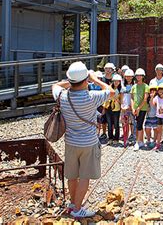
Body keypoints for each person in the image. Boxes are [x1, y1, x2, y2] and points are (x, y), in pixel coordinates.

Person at [51, 61, 114, 218]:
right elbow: (111, 91)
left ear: (71, 80)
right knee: (84, 176)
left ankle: (73, 204)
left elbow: (55, 85)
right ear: (86, 80)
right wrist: (95, 79)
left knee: (72, 176)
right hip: (89, 143)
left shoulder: (62, 95)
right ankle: (78, 209)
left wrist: (71, 81)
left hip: (70, 142)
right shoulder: (92, 97)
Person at [131, 68, 149, 151]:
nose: (138, 77)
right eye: (137, 75)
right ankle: (141, 141)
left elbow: (145, 99)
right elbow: (132, 98)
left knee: (139, 125)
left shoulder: (146, 86)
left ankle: (138, 142)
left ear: (143, 76)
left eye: (140, 75)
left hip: (142, 108)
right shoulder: (134, 86)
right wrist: (133, 108)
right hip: (135, 108)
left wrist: (138, 108)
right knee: (138, 125)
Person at [104, 74, 122, 144]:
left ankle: (116, 138)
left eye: (118, 81)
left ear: (120, 82)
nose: (116, 83)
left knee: (116, 124)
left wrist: (117, 98)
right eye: (115, 81)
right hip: (108, 107)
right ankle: (110, 138)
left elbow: (122, 101)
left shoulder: (121, 90)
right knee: (109, 123)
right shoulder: (109, 88)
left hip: (116, 108)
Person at [120, 69, 135, 146]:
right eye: (127, 76)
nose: (128, 78)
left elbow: (134, 97)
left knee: (132, 122)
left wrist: (132, 106)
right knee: (125, 122)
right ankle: (125, 136)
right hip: (124, 107)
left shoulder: (134, 85)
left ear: (132, 77)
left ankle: (132, 135)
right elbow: (121, 97)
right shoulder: (122, 86)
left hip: (131, 106)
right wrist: (122, 106)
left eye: (130, 76)